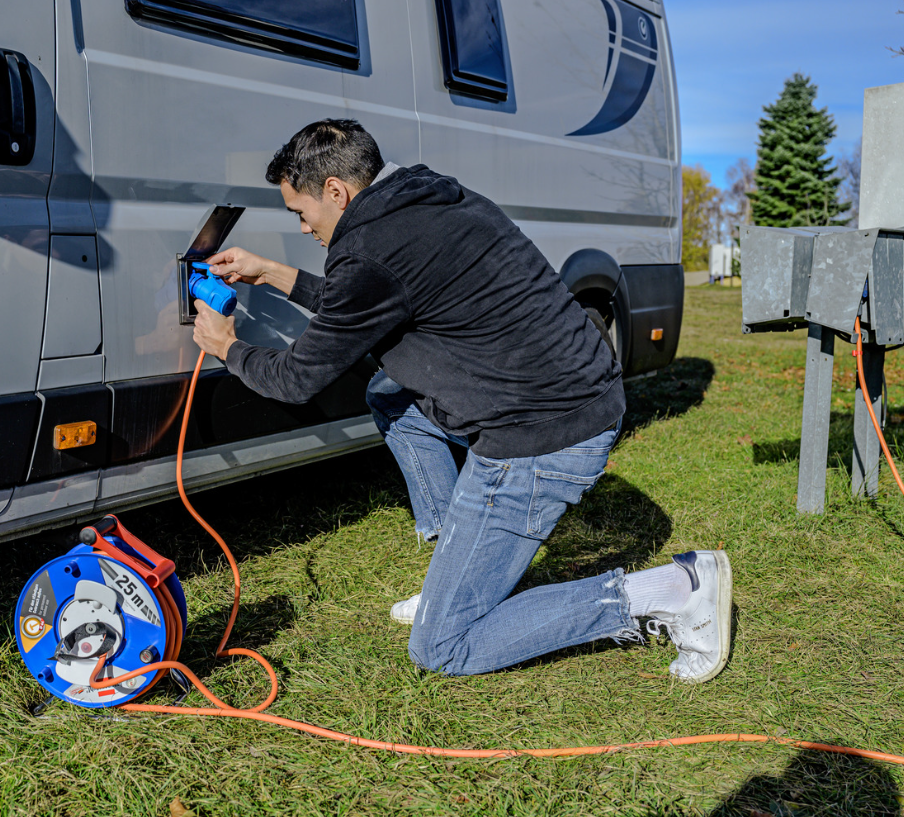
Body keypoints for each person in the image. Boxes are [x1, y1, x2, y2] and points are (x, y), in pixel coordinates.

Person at [190, 119, 732, 682]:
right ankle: (460, 564)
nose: (302, 227)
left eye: (300, 213)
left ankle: (674, 591)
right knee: (389, 395)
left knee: (443, 645)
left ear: (335, 191)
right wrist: (276, 275)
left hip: (543, 433)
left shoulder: (369, 251)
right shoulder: (426, 199)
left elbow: (297, 379)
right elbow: (370, 302)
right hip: (579, 393)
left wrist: (228, 348)